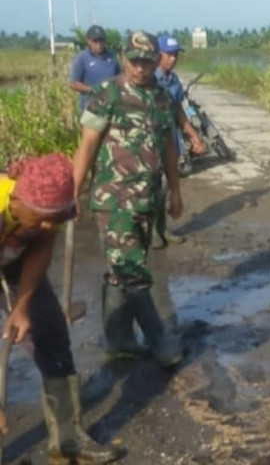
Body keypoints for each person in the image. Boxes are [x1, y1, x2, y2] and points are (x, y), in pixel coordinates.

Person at [71, 31, 184, 366]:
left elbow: (168, 149)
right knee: (132, 271)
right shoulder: (107, 94)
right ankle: (160, 342)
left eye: (147, 61)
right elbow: (87, 146)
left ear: (156, 61)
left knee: (122, 268)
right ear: (124, 59)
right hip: (113, 199)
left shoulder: (162, 98)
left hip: (147, 198)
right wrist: (72, 193)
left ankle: (118, 338)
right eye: (134, 61)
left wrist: (175, 192)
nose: (140, 68)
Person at [1, 154, 120, 464]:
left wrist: (22, 307)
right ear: (16, 198)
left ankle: (67, 440)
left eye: (53, 218)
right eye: (40, 216)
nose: (46, 224)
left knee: (51, 333)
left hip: (13, 258)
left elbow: (41, 245)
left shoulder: (48, 211)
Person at [152, 34, 206, 249]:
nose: (173, 59)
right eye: (169, 54)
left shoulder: (173, 81)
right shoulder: (149, 79)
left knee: (165, 185)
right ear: (158, 54)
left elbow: (178, 112)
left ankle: (163, 229)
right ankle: (152, 232)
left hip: (169, 139)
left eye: (175, 55)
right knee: (152, 187)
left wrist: (194, 136)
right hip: (149, 141)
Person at [68, 25, 121, 113]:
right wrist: (93, 89)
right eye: (95, 41)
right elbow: (73, 83)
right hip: (90, 106)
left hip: (110, 106)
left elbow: (120, 77)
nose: (99, 44)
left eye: (101, 40)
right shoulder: (82, 58)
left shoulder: (112, 57)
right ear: (89, 41)